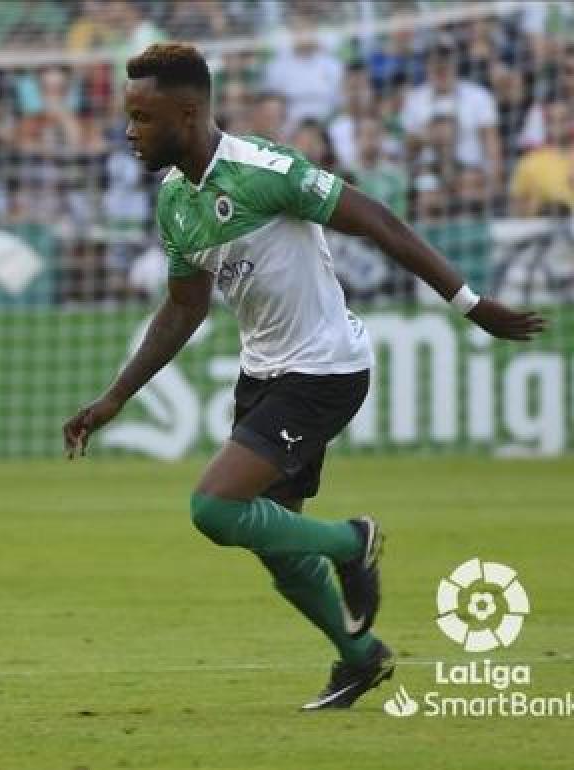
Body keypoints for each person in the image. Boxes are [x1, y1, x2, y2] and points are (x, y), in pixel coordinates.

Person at [62, 43, 545, 711]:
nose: (129, 131)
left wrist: (471, 304)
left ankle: (353, 541)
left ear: (188, 111)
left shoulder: (266, 171)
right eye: (129, 116)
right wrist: (116, 396)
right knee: (277, 543)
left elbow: (377, 221)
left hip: (325, 368)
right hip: (263, 372)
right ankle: (361, 658)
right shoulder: (176, 199)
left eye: (143, 117)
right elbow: (183, 307)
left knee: (214, 508)